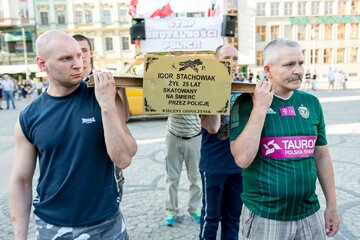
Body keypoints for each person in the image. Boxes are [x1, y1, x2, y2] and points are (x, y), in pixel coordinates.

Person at [9, 30, 137, 239]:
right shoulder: (29, 116)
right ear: (42, 64)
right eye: (66, 58)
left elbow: (124, 158)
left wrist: (106, 105)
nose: (78, 63)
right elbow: (21, 181)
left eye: (79, 55)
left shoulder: (102, 96)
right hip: (53, 227)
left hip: (106, 225)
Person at [229, 38, 339, 239]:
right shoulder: (246, 103)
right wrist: (261, 107)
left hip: (309, 213)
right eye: (289, 65)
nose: (297, 70)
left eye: (300, 63)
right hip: (266, 216)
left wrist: (332, 205)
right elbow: (242, 158)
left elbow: (321, 155)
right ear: (268, 70)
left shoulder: (311, 102)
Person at [73, 33, 128, 201]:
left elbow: (124, 119)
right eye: (76, 52)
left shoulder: (106, 81)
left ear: (91, 53)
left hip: (108, 164)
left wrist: (120, 91)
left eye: (84, 50)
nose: (81, 56)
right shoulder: (64, 87)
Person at [199, 45, 243, 240]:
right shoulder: (204, 90)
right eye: (226, 58)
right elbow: (212, 127)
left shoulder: (244, 90)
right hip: (214, 165)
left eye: (235, 59)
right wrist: (216, 88)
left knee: (233, 218)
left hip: (239, 166)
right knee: (211, 217)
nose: (231, 63)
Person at [165, 114, 202, 226]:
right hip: (173, 135)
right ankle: (171, 211)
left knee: (196, 177)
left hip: (195, 137)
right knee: (172, 178)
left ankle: (194, 209)